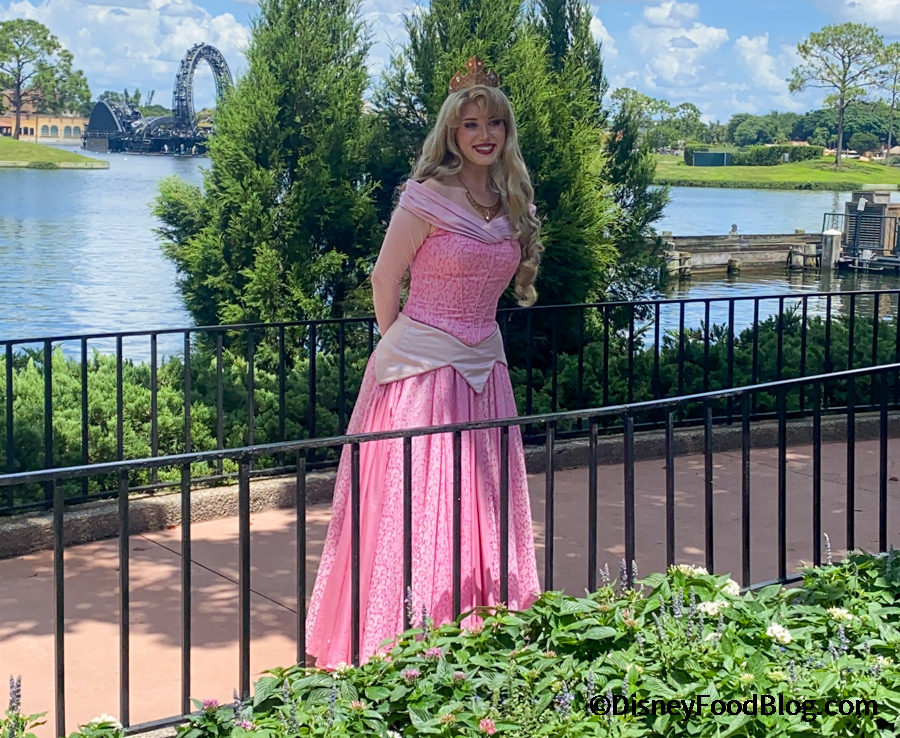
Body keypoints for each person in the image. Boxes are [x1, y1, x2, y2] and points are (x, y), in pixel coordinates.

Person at [305, 56, 543, 669]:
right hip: (420, 377)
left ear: (507, 131)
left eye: (494, 123)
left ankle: (479, 626)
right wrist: (401, 348)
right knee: (416, 505)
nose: (484, 135)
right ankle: (401, 640)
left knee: (477, 503)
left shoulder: (510, 203)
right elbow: (384, 279)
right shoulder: (426, 197)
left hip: (485, 374)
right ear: (452, 133)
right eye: (471, 124)